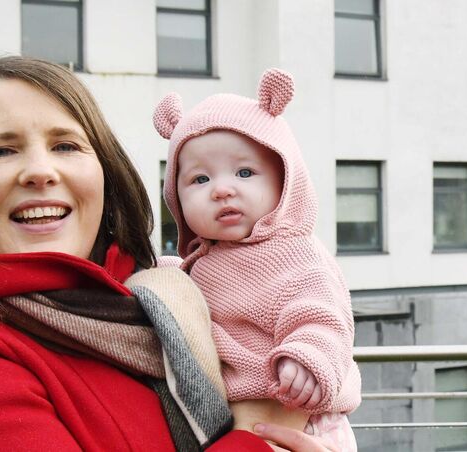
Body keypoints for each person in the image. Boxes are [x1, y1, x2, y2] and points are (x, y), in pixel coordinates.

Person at [0, 53, 334, 451]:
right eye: (0, 151)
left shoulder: (157, 302)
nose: (40, 171)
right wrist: (260, 436)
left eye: (65, 145)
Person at [153, 68, 362, 450]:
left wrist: (307, 359)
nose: (222, 189)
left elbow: (322, 317)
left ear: (285, 180)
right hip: (231, 422)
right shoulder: (202, 262)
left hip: (301, 418)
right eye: (200, 179)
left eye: (245, 172)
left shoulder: (295, 253)